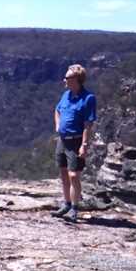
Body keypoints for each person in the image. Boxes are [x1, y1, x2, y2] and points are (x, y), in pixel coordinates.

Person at [52, 64, 97, 222]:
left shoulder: (88, 98)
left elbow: (88, 124)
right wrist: (58, 125)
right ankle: (66, 204)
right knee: (63, 174)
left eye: (67, 78)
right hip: (63, 140)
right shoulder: (66, 95)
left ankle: (74, 209)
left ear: (77, 79)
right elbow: (57, 110)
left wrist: (84, 145)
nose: (64, 80)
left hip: (76, 141)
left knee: (73, 175)